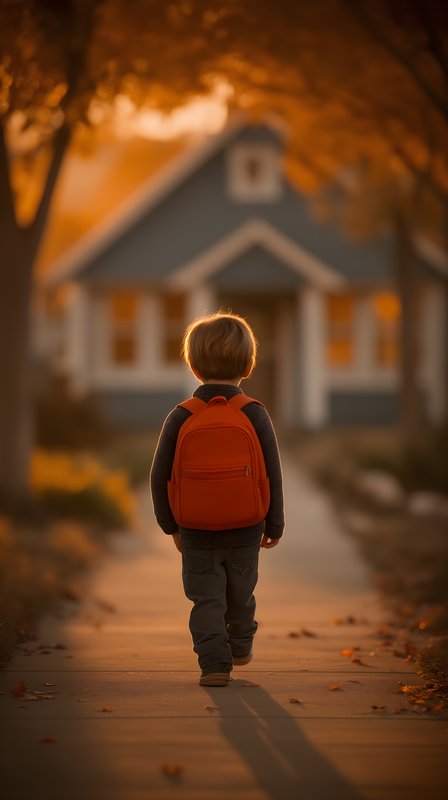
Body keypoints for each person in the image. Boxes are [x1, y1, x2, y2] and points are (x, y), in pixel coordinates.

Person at [150, 311, 285, 686]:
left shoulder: (181, 416)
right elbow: (271, 473)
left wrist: (170, 525)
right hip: (246, 527)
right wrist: (275, 523)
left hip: (195, 529)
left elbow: (159, 476)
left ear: (193, 366)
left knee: (206, 600)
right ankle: (240, 643)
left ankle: (214, 664)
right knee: (241, 594)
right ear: (248, 363)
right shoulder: (254, 413)